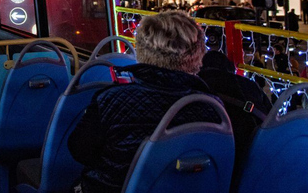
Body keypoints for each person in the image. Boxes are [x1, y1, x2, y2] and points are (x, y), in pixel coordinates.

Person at [68, 11, 221, 193]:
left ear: (141, 49)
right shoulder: (213, 107)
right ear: (197, 54)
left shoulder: (111, 98)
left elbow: (79, 150)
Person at [197, 52, 272, 170]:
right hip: (259, 145)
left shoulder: (198, 85)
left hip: (221, 151)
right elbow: (271, 114)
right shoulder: (249, 84)